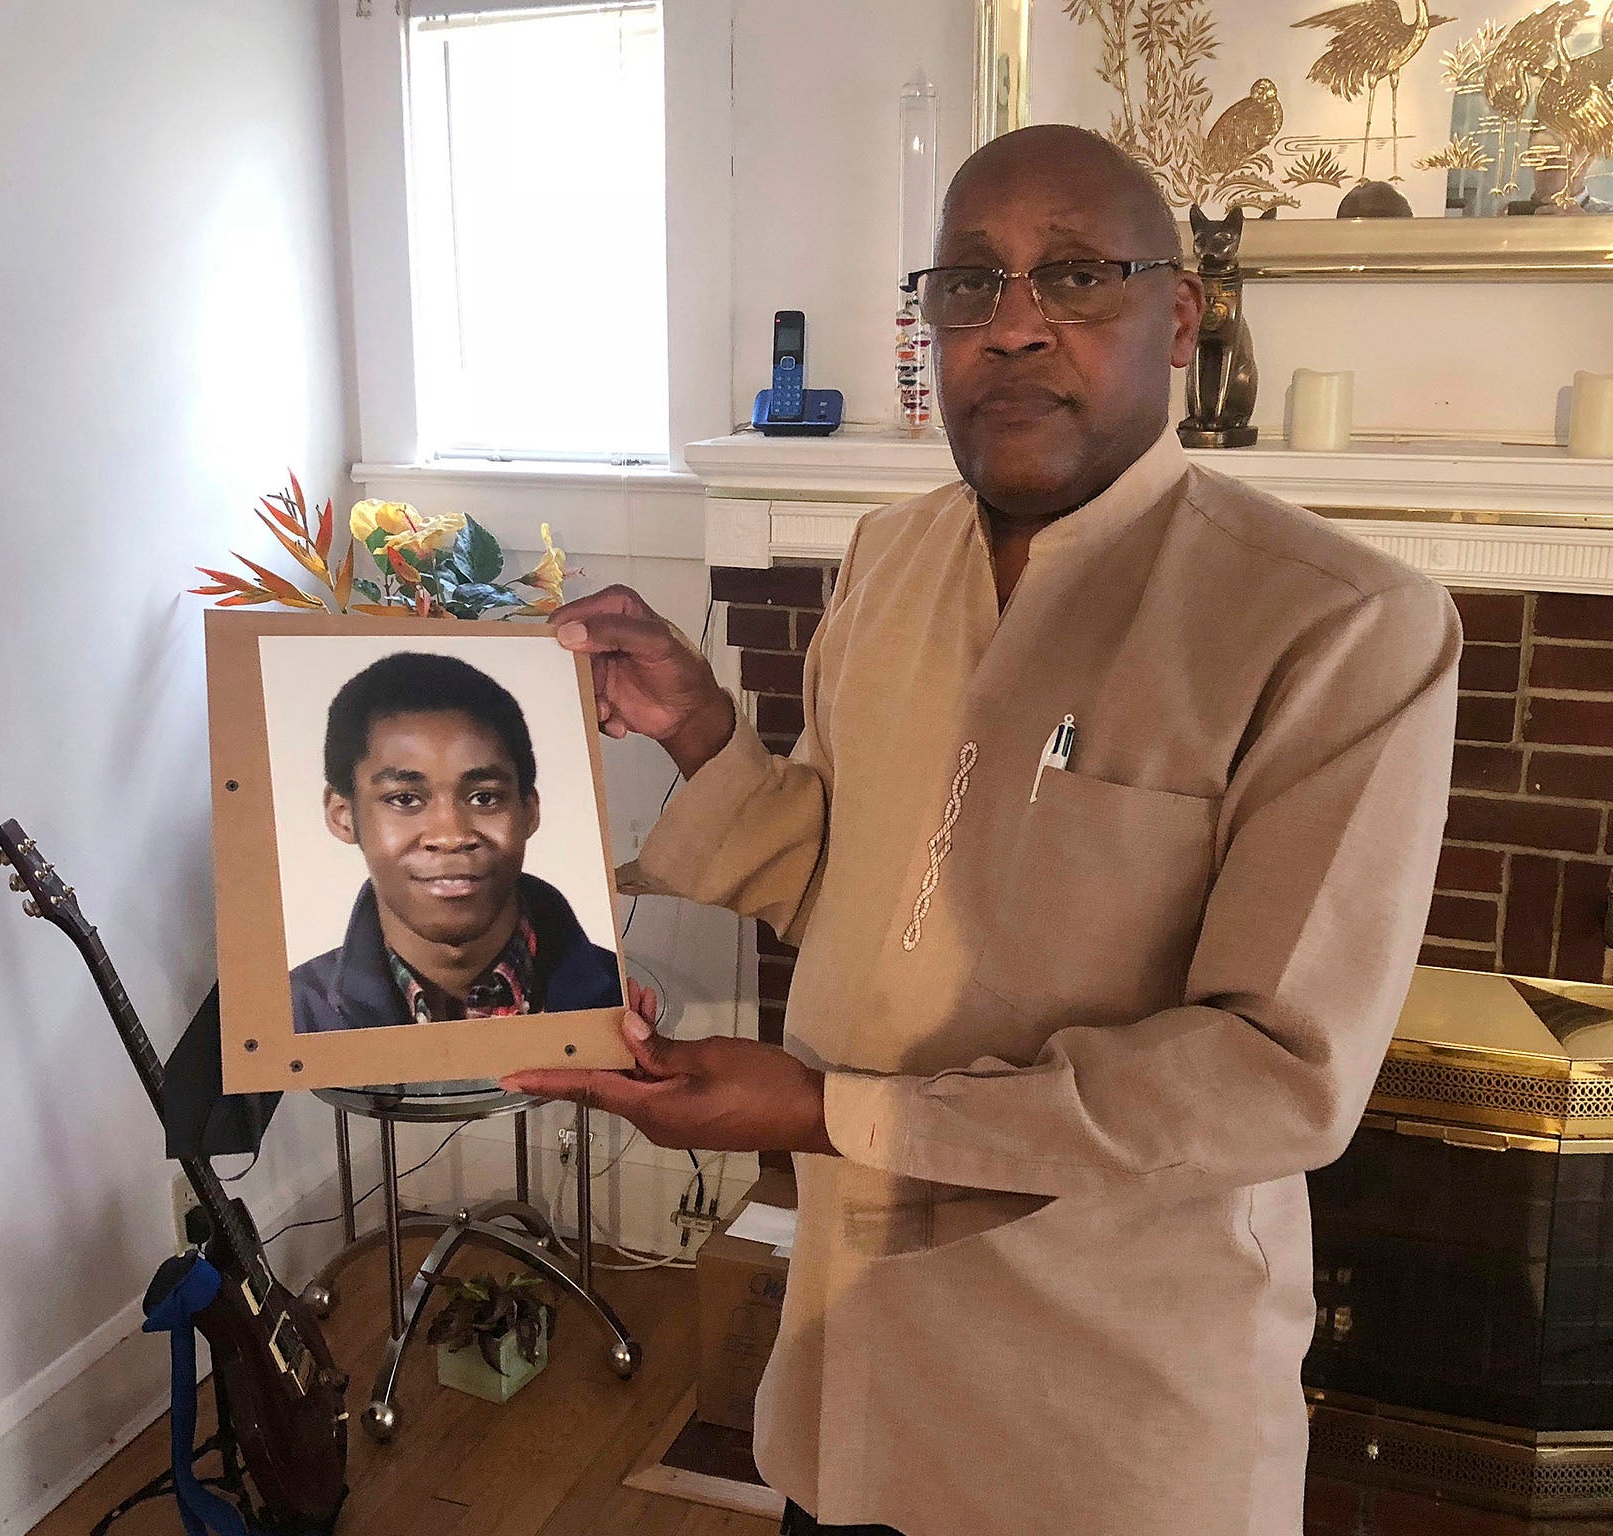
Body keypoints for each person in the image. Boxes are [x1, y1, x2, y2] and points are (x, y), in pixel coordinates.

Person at [506, 124, 1461, 1536]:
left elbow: (1274, 1077)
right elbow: (854, 882)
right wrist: (699, 726)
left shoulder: (1334, 625)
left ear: (1180, 317)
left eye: (1074, 278)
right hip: (851, 1365)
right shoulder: (889, 562)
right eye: (968, 285)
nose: (1012, 327)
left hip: (1101, 1415)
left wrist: (828, 1112)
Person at [289, 650, 620, 1034]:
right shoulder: (292, 1016)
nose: (450, 836)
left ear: (529, 810)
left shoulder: (619, 997)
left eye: (484, 798)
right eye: (405, 799)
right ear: (343, 816)